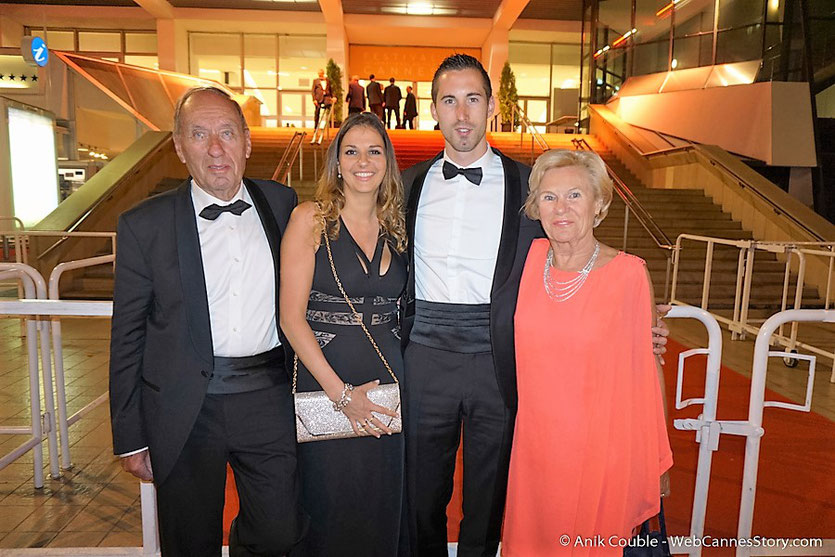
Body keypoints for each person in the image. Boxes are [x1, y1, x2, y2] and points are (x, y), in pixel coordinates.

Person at [399, 54, 669, 557]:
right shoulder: (407, 185)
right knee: (419, 497)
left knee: (490, 499)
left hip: (500, 363)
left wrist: (634, 322)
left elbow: (574, 254)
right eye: (449, 101)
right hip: (423, 359)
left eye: (473, 99)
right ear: (433, 108)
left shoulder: (533, 185)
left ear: (492, 106)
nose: (462, 114)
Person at [109, 86, 306, 556]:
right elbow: (127, 336)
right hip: (183, 407)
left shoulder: (283, 203)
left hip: (267, 398)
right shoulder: (144, 224)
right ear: (179, 146)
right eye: (200, 135)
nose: (216, 148)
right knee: (189, 536)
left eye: (227, 133)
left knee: (280, 529)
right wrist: (130, 435)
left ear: (247, 143)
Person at [502, 149, 672, 556]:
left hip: (599, 454)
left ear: (598, 203)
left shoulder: (628, 274)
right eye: (549, 197)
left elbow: (647, 371)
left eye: (575, 195)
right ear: (535, 206)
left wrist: (656, 458)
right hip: (535, 452)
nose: (561, 208)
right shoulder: (528, 260)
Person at [280, 112, 408, 557]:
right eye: (350, 151)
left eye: (374, 151)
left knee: (383, 504)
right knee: (330, 506)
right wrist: (341, 394)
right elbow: (291, 319)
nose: (362, 161)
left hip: (392, 381)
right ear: (336, 162)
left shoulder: (397, 227)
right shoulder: (309, 219)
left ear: (387, 162)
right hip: (328, 379)